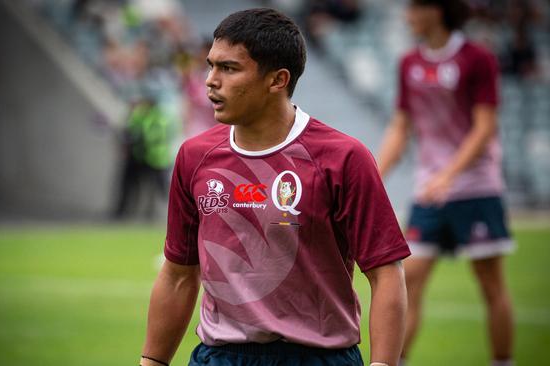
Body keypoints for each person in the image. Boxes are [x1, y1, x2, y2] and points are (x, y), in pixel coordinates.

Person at [141, 8, 410, 366]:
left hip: (318, 358)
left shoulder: (344, 157)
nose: (210, 80)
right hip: (220, 357)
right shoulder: (194, 156)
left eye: (229, 68)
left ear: (277, 80)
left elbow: (386, 274)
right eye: (211, 65)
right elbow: (177, 274)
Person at [376, 1, 515, 366]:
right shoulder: (409, 63)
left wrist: (449, 176)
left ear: (437, 10)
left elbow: (485, 127)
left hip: (477, 189)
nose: (407, 15)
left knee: (491, 285)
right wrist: (373, 177)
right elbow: (401, 127)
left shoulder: (477, 58)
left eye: (414, 7)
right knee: (410, 280)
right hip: (429, 192)